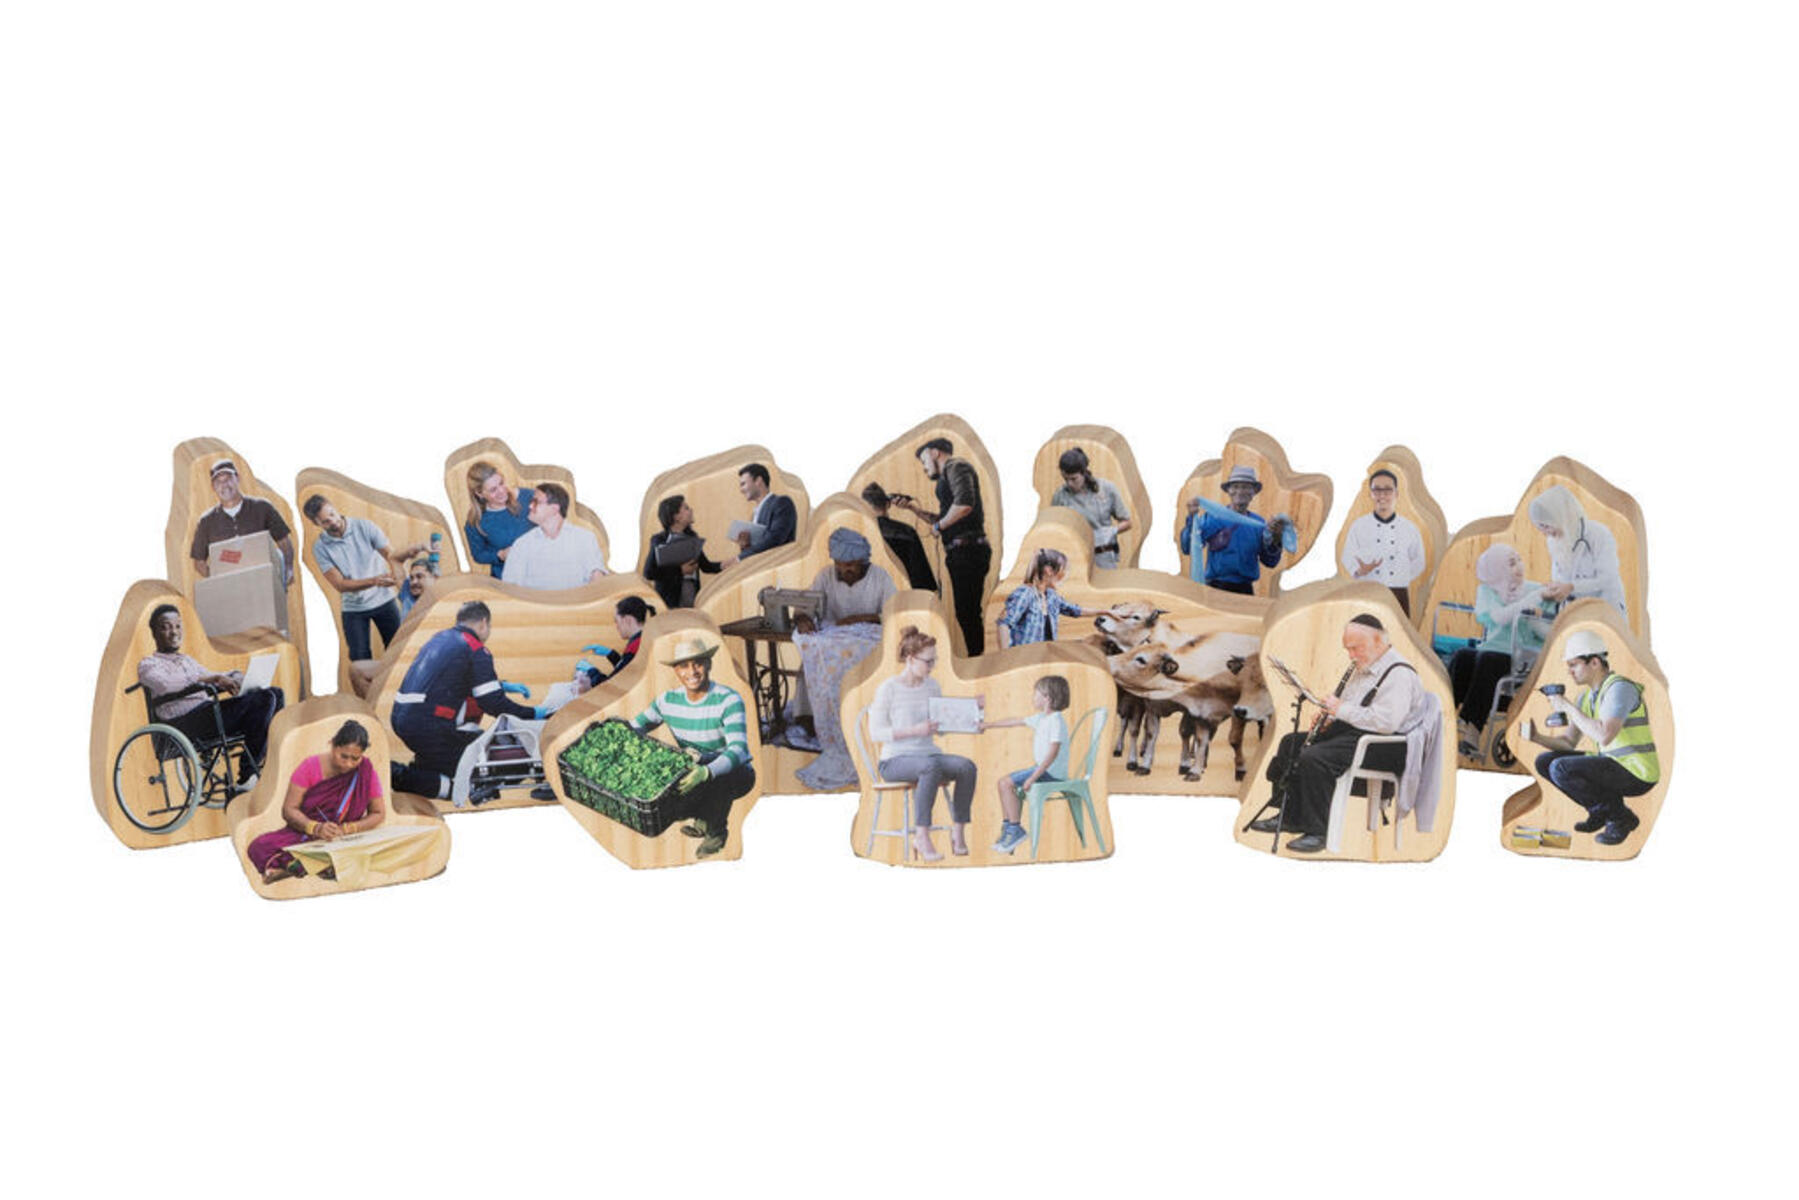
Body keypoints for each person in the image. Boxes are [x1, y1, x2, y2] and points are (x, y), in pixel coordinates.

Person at [1249, 614, 1422, 854]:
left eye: (1355, 648)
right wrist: (1331, 718)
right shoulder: (1365, 666)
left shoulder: (1399, 674)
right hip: (1360, 734)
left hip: (1386, 745)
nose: (1351, 655)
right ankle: (1289, 815)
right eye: (1348, 649)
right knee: (1291, 744)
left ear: (1378, 641)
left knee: (1315, 757)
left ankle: (1318, 831)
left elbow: (1386, 722)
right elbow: (1352, 707)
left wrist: (1340, 709)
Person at [389, 600, 547, 800]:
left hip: (402, 719)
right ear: (483, 623)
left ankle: (408, 772)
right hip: (429, 727)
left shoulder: (440, 638)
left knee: (443, 763)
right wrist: (533, 714)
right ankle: (394, 774)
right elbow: (492, 703)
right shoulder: (475, 648)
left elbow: (448, 679)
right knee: (477, 770)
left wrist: (501, 685)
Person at [1523, 630, 1659, 846]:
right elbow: (1568, 743)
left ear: (1594, 662)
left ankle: (1619, 818)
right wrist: (1537, 737)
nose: (1569, 671)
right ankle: (1601, 811)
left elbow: (1604, 735)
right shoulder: (1586, 698)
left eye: (1574, 665)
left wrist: (1567, 707)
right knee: (1545, 762)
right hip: (1612, 764)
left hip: (1637, 771)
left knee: (1561, 768)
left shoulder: (1619, 688)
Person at [630, 635, 755, 859]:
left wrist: (706, 772)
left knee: (712, 768)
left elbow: (739, 750)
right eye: (684, 666)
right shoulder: (667, 701)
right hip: (693, 765)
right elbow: (636, 726)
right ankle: (704, 820)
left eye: (698, 663)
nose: (692, 671)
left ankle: (716, 834)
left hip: (736, 774)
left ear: (709, 664)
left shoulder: (728, 699)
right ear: (676, 671)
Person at [136, 604, 285, 790]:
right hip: (186, 724)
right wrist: (210, 679)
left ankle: (266, 763)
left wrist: (234, 677)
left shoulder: (186, 661)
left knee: (276, 694)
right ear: (154, 632)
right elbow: (166, 685)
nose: (174, 632)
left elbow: (211, 675)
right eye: (166, 627)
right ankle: (247, 774)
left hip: (206, 714)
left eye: (177, 626)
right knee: (263, 700)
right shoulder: (149, 665)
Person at [867, 625, 980, 860]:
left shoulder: (932, 686)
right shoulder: (888, 689)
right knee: (930, 767)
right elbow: (876, 732)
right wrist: (915, 730)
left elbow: (940, 726)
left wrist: (970, 717)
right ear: (910, 659)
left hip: (928, 756)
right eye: (928, 661)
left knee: (966, 767)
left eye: (934, 661)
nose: (932, 666)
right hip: (894, 760)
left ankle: (958, 832)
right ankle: (922, 835)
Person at [246, 720, 386, 884]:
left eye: (355, 759)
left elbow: (378, 813)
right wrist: (316, 828)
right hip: (304, 833)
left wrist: (348, 829)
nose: (348, 764)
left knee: (379, 848)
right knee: (257, 846)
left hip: (344, 838)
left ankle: (302, 866)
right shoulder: (310, 766)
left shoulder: (365, 772)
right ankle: (320, 864)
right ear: (332, 745)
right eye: (343, 756)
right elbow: (289, 809)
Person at [1448, 543, 1550, 751]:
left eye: (1519, 560)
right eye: (1511, 563)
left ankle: (1473, 733)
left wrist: (1533, 617)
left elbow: (1548, 633)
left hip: (1522, 656)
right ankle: (1445, 716)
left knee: (1488, 660)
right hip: (1491, 650)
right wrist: (1528, 603)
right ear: (1497, 571)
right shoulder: (1488, 591)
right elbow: (1499, 617)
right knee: (1462, 656)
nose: (1519, 566)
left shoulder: (1538, 590)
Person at [303, 495, 429, 662]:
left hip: (384, 600)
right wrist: (374, 581)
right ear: (316, 523)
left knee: (398, 652)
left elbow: (391, 556)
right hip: (353, 609)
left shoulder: (364, 526)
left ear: (334, 508)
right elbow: (340, 584)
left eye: (332, 514)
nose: (333, 522)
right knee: (360, 661)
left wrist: (401, 581)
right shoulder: (320, 548)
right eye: (325, 521)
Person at [893, 438, 990, 654]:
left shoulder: (956, 466)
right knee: (966, 613)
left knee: (967, 613)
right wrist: (913, 509)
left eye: (923, 460)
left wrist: (939, 526)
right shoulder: (949, 476)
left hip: (968, 552)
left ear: (935, 452)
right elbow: (946, 518)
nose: (924, 467)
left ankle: (978, 660)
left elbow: (964, 505)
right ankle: (977, 658)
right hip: (963, 552)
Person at [982, 675, 1072, 855]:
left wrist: (1033, 777)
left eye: (1036, 693)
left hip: (1050, 773)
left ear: (1047, 698)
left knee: (1005, 783)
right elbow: (1014, 721)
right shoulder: (1042, 718)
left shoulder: (1055, 721)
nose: (1033, 697)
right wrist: (988, 725)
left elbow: (1052, 754)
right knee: (1003, 784)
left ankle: (1015, 829)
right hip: (1044, 769)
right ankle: (1008, 828)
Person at [1179, 465, 1291, 595]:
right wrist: (1191, 520)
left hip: (1245, 590)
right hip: (1216, 588)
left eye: (1246, 487)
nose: (1240, 491)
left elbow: (1270, 562)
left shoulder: (1259, 524)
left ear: (1253, 492)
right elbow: (1187, 548)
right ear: (1229, 491)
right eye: (1235, 486)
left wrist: (1276, 538)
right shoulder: (1214, 518)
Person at [190, 459, 295, 588]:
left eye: (228, 479)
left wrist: (289, 568)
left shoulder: (262, 508)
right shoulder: (206, 521)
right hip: (231, 588)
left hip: (264, 581)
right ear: (213, 487)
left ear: (237, 478)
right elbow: (199, 562)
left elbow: (284, 541)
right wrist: (217, 580)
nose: (224, 485)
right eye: (218, 482)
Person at [1528, 485, 1627, 616]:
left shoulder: (1598, 534)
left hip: (1606, 608)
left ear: (1560, 517)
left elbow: (1607, 579)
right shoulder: (1554, 541)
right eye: (1541, 528)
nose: (1546, 534)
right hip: (1577, 612)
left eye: (1547, 526)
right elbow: (1561, 578)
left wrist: (1572, 587)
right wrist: (1555, 588)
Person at [1340, 470, 1427, 615]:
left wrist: (1400, 577)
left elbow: (1419, 561)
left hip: (1398, 594)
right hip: (1368, 592)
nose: (1382, 495)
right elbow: (1347, 555)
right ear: (1371, 494)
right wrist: (1361, 571)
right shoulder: (1359, 526)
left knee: (1398, 629)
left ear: (1396, 494)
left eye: (1387, 490)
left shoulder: (1409, 528)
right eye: (1377, 490)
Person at [995, 548, 1119, 649]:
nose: (1065, 575)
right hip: (1025, 658)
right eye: (1063, 570)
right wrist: (1007, 656)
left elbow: (1075, 610)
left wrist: (1105, 611)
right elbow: (1004, 624)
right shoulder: (1025, 593)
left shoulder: (1051, 596)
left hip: (1044, 657)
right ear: (1049, 570)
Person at [500, 482, 609, 590]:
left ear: (554, 509)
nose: (530, 506)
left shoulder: (585, 538)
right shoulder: (522, 544)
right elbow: (511, 588)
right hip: (534, 601)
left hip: (577, 600)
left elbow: (597, 577)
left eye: (536, 502)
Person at [796, 528, 895, 631]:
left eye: (849, 565)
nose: (843, 570)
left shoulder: (880, 577)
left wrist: (859, 619)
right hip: (832, 636)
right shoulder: (825, 576)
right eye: (838, 564)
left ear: (861, 560)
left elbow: (894, 613)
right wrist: (802, 619)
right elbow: (805, 605)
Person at [1050, 448, 1133, 569]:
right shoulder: (1060, 496)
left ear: (1084, 473)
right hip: (1075, 558)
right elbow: (1053, 530)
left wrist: (1108, 532)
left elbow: (1127, 522)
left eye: (1073, 479)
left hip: (1103, 556)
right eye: (1065, 479)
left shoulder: (1106, 489)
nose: (1069, 484)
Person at [643, 494, 723, 609]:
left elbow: (706, 566)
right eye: (686, 508)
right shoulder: (659, 540)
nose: (691, 510)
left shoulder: (693, 538)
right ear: (676, 517)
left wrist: (726, 564)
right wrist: (680, 571)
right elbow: (649, 572)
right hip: (670, 600)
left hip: (692, 594)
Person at [463, 462, 536, 580]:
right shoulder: (476, 523)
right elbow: (478, 555)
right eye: (493, 490)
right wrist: (500, 555)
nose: (501, 491)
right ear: (479, 493)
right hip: (507, 581)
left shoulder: (527, 497)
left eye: (501, 483)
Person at [861, 483, 938, 592]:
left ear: (864, 508)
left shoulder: (861, 536)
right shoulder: (907, 532)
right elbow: (922, 579)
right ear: (888, 504)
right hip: (905, 594)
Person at [734, 462, 798, 558]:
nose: (741, 490)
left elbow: (775, 540)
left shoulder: (781, 503)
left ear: (758, 481)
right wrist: (745, 545)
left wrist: (739, 558)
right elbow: (757, 549)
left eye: (743, 484)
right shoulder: (754, 514)